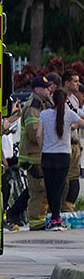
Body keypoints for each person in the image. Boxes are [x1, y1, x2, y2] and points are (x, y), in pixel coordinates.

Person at [37, 88, 84, 230]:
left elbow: (39, 135)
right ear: (65, 101)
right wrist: (73, 126)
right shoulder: (69, 114)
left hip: (47, 155)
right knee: (59, 187)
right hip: (63, 156)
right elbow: (81, 123)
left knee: (50, 188)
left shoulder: (44, 114)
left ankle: (53, 217)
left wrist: (41, 150)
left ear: (53, 100)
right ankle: (56, 219)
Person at [19, 75, 53, 230]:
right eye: (46, 88)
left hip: (38, 155)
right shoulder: (34, 106)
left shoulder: (41, 104)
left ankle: (39, 221)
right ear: (37, 89)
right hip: (34, 156)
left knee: (43, 190)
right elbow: (34, 132)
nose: (49, 90)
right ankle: (36, 224)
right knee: (39, 191)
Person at [61, 70, 82, 211]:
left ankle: (70, 210)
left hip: (74, 144)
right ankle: (62, 210)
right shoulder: (59, 99)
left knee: (74, 181)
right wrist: (73, 125)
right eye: (75, 81)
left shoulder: (74, 99)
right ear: (67, 83)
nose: (78, 84)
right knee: (65, 181)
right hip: (64, 144)